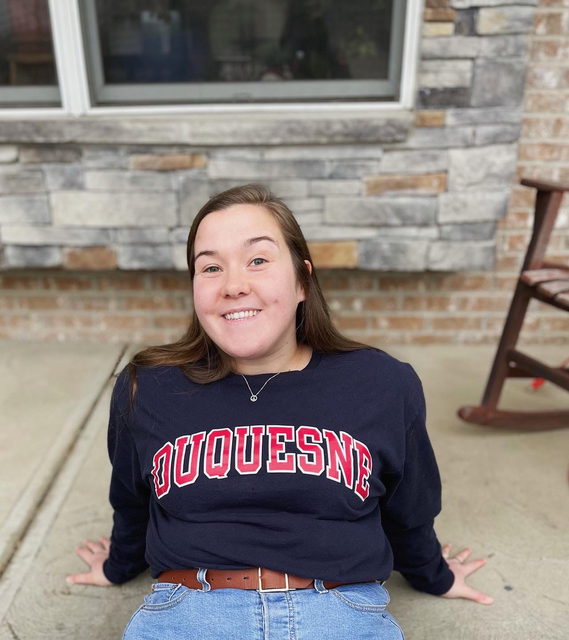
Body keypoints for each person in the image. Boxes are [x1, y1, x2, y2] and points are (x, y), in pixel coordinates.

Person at [66, 183, 494, 639]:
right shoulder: (148, 387)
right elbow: (132, 502)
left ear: (302, 280)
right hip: (187, 614)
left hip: (340, 614)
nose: (233, 286)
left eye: (258, 260)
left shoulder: (382, 383)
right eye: (210, 267)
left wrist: (435, 574)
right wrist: (118, 566)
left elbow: (410, 508)